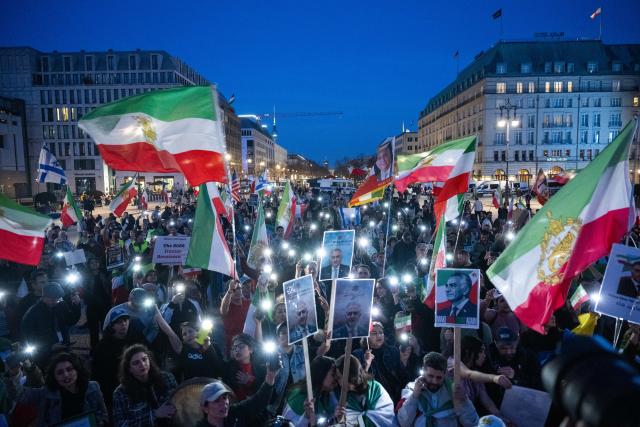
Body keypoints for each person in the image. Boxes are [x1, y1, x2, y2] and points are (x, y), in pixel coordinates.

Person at [4, 352, 109, 426]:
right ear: (54, 376)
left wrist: (95, 422)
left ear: (77, 370)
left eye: (69, 369)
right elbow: (18, 395)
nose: (66, 375)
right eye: (60, 372)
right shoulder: (46, 394)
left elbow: (103, 414)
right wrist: (13, 374)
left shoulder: (93, 387)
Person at [396, 352, 479, 427]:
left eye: (439, 378)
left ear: (445, 374)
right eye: (430, 376)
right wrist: (414, 396)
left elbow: (472, 423)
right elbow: (403, 423)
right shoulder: (411, 388)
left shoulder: (453, 389)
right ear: (423, 370)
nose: (434, 381)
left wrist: (464, 399)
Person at [112, 344, 178, 427]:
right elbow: (121, 424)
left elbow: (180, 404)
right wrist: (155, 415)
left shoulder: (167, 378)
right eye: (136, 363)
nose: (142, 364)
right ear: (129, 369)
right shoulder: (120, 393)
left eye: (144, 359)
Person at [20, 282, 81, 367]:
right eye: (52, 299)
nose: (56, 301)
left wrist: (76, 305)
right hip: (45, 356)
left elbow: (71, 321)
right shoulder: (33, 313)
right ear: (44, 297)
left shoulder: (60, 304)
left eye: (58, 299)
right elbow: (29, 338)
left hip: (64, 347)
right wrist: (49, 347)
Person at [196, 367, 279, 427]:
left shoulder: (235, 413)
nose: (224, 403)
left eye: (225, 398)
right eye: (216, 401)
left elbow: (258, 401)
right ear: (205, 408)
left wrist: (270, 376)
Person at [353, 321, 412, 402]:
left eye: (381, 332)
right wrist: (366, 365)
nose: (379, 335)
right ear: (366, 336)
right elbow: (356, 383)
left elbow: (403, 378)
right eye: (374, 333)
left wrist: (404, 361)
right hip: (373, 399)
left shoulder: (393, 350)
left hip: (395, 397)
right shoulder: (358, 354)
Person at [333, 354, 395, 426]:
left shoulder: (375, 389)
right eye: (337, 378)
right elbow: (345, 422)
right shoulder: (345, 397)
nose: (339, 382)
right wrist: (339, 419)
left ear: (351, 375)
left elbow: (384, 416)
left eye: (340, 377)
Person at [283, 356, 339, 426]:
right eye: (333, 375)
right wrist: (306, 416)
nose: (336, 378)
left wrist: (336, 419)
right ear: (320, 374)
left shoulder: (328, 394)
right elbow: (286, 424)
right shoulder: (299, 396)